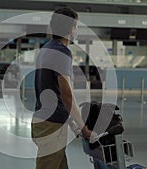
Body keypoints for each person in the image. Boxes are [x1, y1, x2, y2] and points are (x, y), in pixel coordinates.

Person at [31, 7, 95, 169]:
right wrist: (83, 128)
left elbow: (51, 92)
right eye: (75, 26)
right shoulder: (62, 52)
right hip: (51, 126)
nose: (76, 30)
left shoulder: (45, 49)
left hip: (43, 120)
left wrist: (71, 122)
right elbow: (66, 95)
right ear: (70, 29)